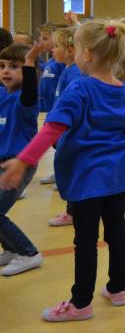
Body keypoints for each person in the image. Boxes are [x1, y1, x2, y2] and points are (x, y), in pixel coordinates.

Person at [0, 18, 125, 322]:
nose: (74, 54)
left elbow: (52, 129)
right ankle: (118, 289)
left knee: (86, 241)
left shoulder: (79, 89)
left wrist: (23, 160)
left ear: (87, 54)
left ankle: (81, 303)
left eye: (76, 48)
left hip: (86, 181)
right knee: (117, 233)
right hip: (117, 181)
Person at [0, 43, 44, 276]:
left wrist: (29, 63)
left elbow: (29, 90)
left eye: (14, 67)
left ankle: (28, 253)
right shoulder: (0, 94)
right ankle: (11, 247)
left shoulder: (26, 101)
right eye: (2, 66)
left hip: (20, 164)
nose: (6, 71)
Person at [45, 27, 83, 226]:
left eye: (56, 46)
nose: (52, 50)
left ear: (70, 50)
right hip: (65, 131)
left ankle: (74, 212)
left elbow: (73, 107)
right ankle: (73, 210)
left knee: (74, 172)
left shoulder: (75, 74)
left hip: (71, 132)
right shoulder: (67, 70)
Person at [37, 23, 65, 113]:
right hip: (43, 109)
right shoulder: (50, 61)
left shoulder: (62, 62)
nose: (40, 40)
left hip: (54, 109)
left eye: (45, 38)